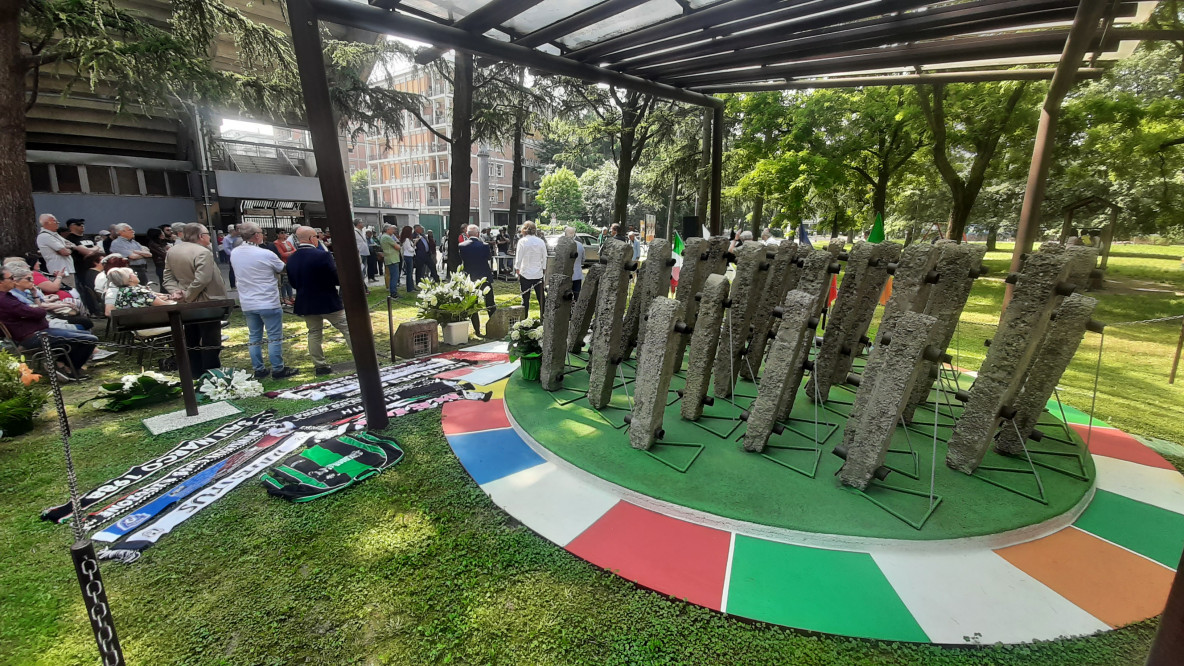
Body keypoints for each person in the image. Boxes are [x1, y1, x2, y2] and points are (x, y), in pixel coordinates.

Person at [0, 265, 97, 379]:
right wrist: (38, 310)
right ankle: (70, 370)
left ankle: (62, 365)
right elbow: (37, 313)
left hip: (41, 331)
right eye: (11, 278)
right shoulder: (4, 300)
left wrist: (37, 309)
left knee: (86, 335)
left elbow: (34, 311)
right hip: (34, 336)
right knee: (90, 339)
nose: (14, 280)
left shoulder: (7, 296)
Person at [230, 222, 297, 380]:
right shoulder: (265, 254)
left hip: (247, 302)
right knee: (274, 337)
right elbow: (283, 268)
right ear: (256, 235)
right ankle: (278, 368)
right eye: (261, 232)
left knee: (254, 337)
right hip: (267, 300)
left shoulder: (235, 253)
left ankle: (259, 369)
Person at [163, 222, 227, 377]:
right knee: (210, 338)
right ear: (200, 236)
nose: (208, 238)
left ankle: (194, 371)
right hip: (206, 300)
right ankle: (211, 371)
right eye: (207, 234)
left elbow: (167, 277)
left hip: (185, 301)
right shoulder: (203, 252)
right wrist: (188, 295)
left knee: (191, 336)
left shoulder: (173, 251)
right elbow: (202, 279)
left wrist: (176, 292)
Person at [287, 226, 351, 375]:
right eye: (317, 236)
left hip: (306, 302)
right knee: (348, 329)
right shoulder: (322, 255)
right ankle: (363, 358)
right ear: (311, 238)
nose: (319, 239)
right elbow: (335, 278)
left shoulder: (292, 258)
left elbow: (293, 282)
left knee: (314, 333)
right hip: (327, 301)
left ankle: (320, 365)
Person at [459, 224, 496, 335]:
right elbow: (488, 258)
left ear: (467, 234)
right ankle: (493, 326)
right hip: (484, 276)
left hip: (470, 277)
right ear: (478, 234)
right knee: (489, 302)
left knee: (472, 304)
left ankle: (477, 329)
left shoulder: (461, 246)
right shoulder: (484, 245)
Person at [102, 267, 174, 316]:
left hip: (133, 327)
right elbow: (166, 306)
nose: (136, 275)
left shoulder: (121, 292)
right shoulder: (140, 292)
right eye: (134, 273)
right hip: (148, 326)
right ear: (130, 279)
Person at [514, 221, 547, 317]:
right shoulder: (540, 241)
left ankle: (524, 319)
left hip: (525, 272)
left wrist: (517, 270)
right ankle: (543, 317)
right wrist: (544, 269)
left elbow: (518, 258)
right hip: (538, 273)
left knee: (525, 298)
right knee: (541, 298)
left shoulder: (522, 241)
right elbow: (544, 257)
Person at [36, 214, 77, 287]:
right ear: (46, 223)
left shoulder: (55, 235)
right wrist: (68, 249)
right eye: (55, 221)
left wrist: (67, 247)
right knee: (69, 291)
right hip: (61, 271)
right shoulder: (45, 236)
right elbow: (65, 252)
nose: (58, 223)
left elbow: (72, 244)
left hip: (68, 269)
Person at [274, 229, 296, 305]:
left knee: (289, 281)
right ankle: (284, 297)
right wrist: (291, 253)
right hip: (283, 263)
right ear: (278, 235)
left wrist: (289, 253)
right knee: (284, 282)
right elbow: (281, 254)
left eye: (285, 233)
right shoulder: (276, 243)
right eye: (282, 233)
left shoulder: (288, 242)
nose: (284, 234)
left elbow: (294, 250)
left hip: (290, 263)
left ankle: (291, 296)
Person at [379, 224, 402, 298]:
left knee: (393, 276)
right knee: (394, 276)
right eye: (392, 229)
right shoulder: (387, 237)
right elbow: (397, 247)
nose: (393, 231)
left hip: (390, 258)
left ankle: (393, 292)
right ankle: (393, 293)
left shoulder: (383, 237)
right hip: (392, 259)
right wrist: (398, 246)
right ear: (387, 230)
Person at [565, 226, 586, 300]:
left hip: (566, 274)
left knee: (566, 296)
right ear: (574, 234)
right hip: (577, 274)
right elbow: (583, 259)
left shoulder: (564, 246)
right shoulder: (580, 245)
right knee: (577, 294)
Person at [353, 219, 371, 294]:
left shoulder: (362, 231)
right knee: (360, 272)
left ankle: (364, 287)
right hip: (360, 254)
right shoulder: (354, 231)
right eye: (361, 222)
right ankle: (362, 288)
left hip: (365, 253)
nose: (363, 223)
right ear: (358, 223)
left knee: (363, 272)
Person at [400, 226, 417, 293]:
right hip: (408, 256)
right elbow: (410, 249)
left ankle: (412, 287)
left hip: (409, 256)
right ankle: (409, 288)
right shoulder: (406, 240)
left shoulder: (407, 239)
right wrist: (415, 244)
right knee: (409, 273)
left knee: (410, 273)